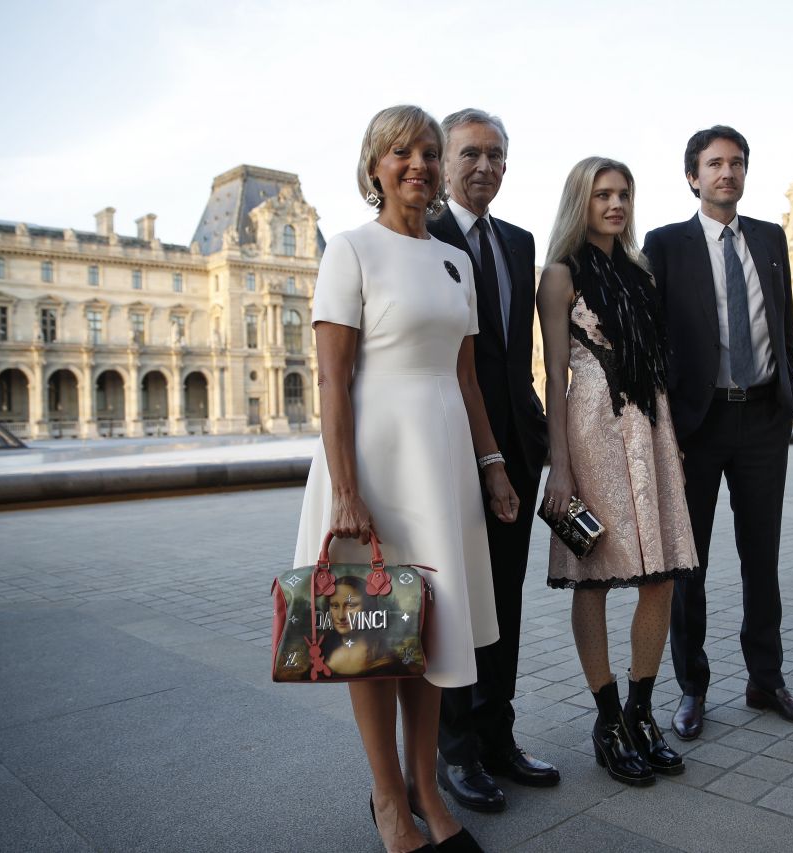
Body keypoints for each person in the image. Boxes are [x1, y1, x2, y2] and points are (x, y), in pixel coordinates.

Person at [293, 104, 518, 853]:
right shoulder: (349, 250)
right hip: (376, 463)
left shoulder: (456, 261)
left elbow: (468, 379)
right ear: (374, 167)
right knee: (373, 635)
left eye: (428, 150)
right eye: (401, 152)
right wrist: (347, 491)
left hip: (444, 461)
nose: (418, 164)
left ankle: (428, 786)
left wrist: (492, 467)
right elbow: (332, 380)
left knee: (430, 632)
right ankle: (389, 799)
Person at [643, 125, 793, 742]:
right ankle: (693, 688)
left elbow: (785, 323)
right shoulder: (666, 244)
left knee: (762, 557)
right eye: (715, 164)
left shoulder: (771, 239)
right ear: (693, 176)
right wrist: (667, 422)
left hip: (763, 419)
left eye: (737, 163)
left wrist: (787, 395)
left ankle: (766, 681)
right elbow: (653, 342)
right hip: (700, 423)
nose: (728, 173)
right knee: (691, 563)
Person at [537, 157, 698, 786]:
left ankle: (640, 712)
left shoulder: (641, 274)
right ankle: (606, 721)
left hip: (650, 431)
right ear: (581, 200)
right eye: (603, 194)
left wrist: (674, 443)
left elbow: (658, 364)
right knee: (595, 580)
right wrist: (561, 468)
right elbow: (554, 375)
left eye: (624, 194)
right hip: (592, 434)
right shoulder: (558, 275)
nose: (615, 205)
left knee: (662, 577)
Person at [427, 108, 557, 812]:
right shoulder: (423, 230)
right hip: (448, 444)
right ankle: (457, 750)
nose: (485, 166)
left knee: (503, 599)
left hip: (516, 441)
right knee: (456, 599)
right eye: (471, 153)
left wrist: (532, 438)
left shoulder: (518, 240)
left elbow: (515, 355)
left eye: (497, 155)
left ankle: (498, 733)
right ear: (444, 161)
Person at [320, 576, 389, 677]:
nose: (341, 616)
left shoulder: (383, 657)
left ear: (368, 607)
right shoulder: (322, 650)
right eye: (335, 606)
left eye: (350, 605)